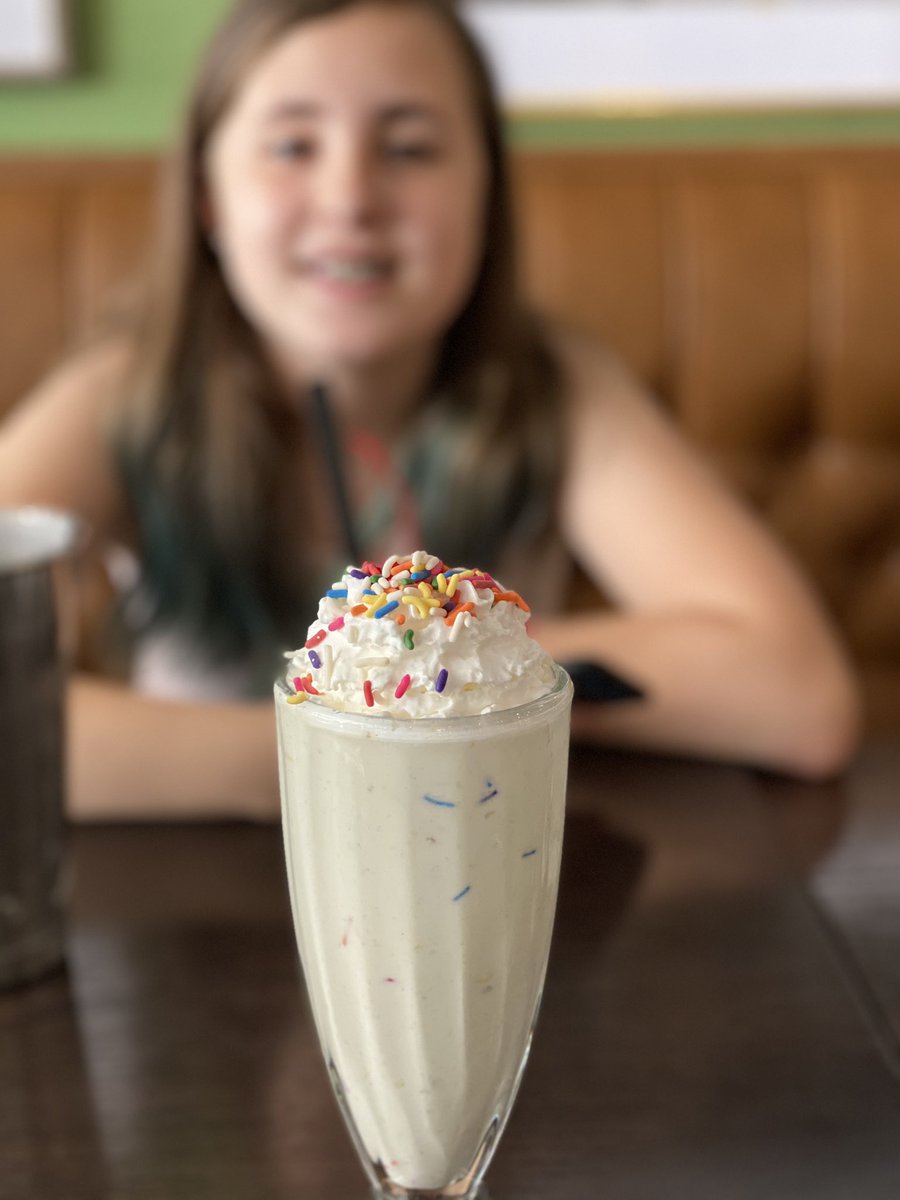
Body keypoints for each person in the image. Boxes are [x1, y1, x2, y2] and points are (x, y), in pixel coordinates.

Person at [0, 0, 861, 820]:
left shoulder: (548, 389)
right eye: (292, 145)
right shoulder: (128, 395)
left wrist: (440, 657)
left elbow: (798, 695)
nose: (350, 198)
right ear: (209, 198)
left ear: (485, 191)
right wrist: (357, 739)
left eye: (410, 148)